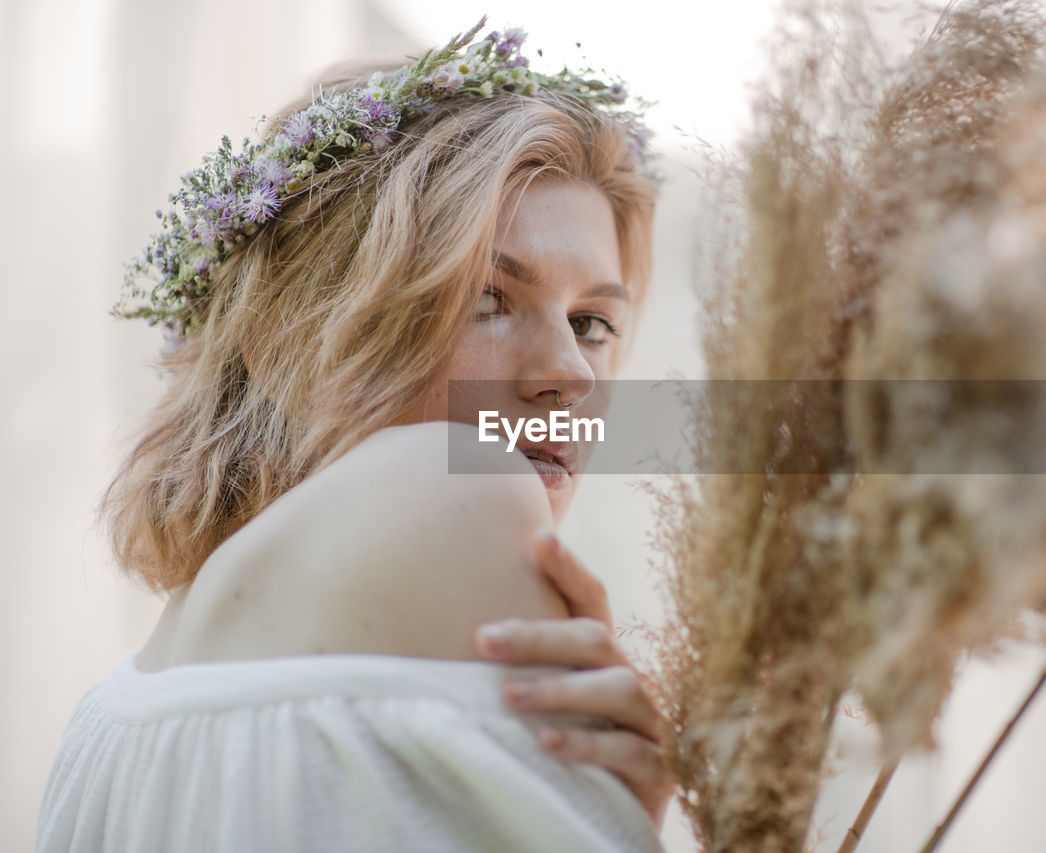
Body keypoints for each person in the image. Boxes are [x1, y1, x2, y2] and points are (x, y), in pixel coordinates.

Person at [36, 18, 673, 853]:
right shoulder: (465, 490)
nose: (571, 373)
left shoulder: (108, 723)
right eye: (485, 298)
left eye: (592, 321)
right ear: (287, 334)